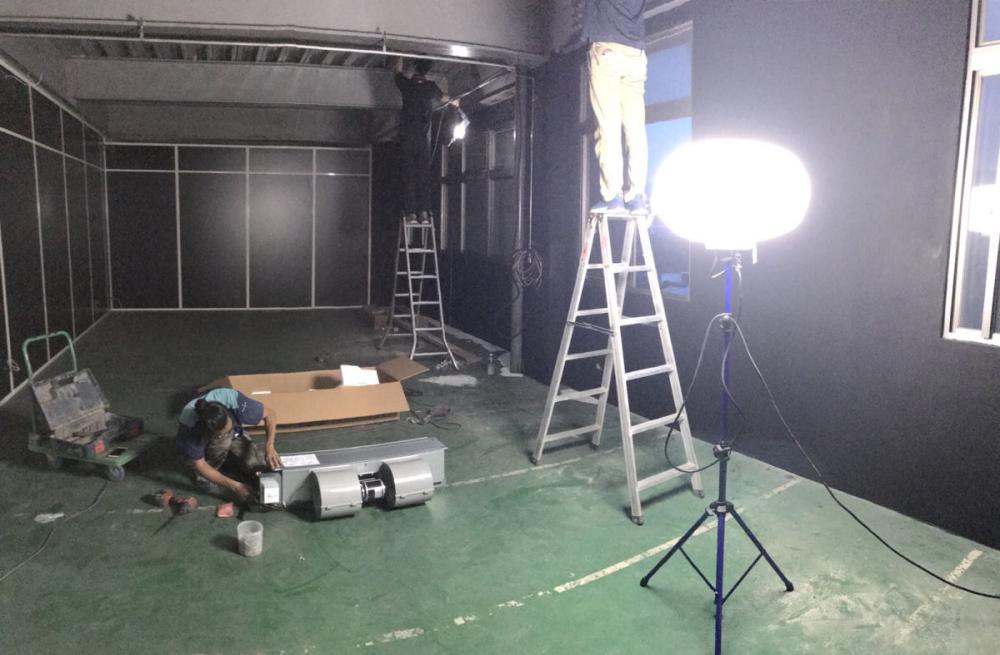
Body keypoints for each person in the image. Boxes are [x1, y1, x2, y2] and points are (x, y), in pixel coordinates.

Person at [584, 0, 649, 215]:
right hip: (636, 54)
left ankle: (612, 195)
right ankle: (636, 195)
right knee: (635, 128)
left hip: (608, 49)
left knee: (608, 126)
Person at [175, 387, 280, 502]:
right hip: (207, 441)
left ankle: (229, 447)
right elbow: (199, 464)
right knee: (221, 446)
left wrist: (269, 446)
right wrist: (235, 486)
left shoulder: (233, 401)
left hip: (234, 433)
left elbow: (270, 415)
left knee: (256, 464)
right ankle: (210, 466)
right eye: (224, 430)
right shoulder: (190, 426)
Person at [393, 57, 456, 223]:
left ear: (414, 67)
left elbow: (396, 72)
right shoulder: (430, 87)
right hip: (422, 139)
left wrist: (399, 53)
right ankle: (424, 212)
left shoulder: (407, 85)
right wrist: (454, 100)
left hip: (408, 138)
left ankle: (411, 213)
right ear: (427, 70)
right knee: (423, 175)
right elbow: (444, 98)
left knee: (408, 175)